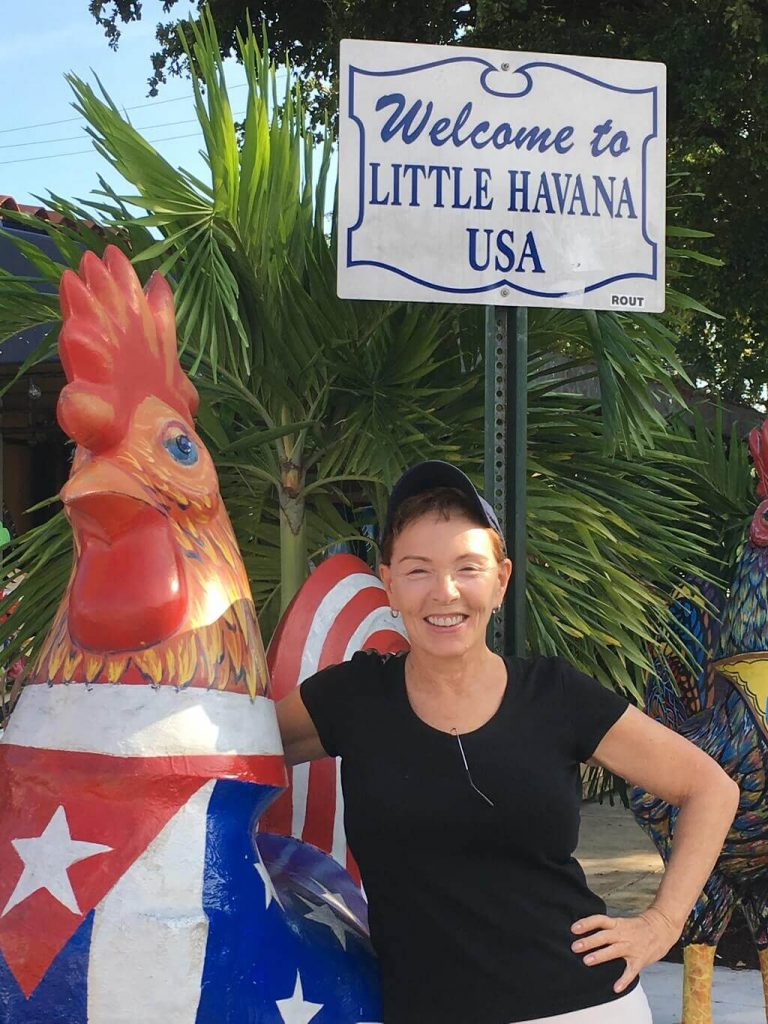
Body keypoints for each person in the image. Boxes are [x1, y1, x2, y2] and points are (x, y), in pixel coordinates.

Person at [277, 461, 739, 1024]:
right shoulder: (351, 698)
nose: (444, 592)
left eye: (467, 567)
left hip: (582, 1006)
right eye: (419, 570)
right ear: (390, 584)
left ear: (500, 580)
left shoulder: (556, 694)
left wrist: (661, 925)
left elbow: (710, 788)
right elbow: (224, 752)